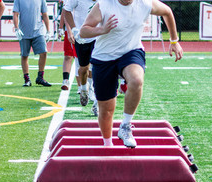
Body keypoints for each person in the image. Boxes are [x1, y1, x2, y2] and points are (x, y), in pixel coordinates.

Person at [80, 0, 183, 147]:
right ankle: (108, 145)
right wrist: (102, 30)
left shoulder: (145, 4)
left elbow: (167, 12)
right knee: (106, 110)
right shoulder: (104, 5)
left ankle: (125, 126)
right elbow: (84, 31)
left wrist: (174, 41)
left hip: (131, 52)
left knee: (136, 80)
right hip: (103, 57)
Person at [63, 0, 97, 106]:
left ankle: (95, 95)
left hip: (99, 36)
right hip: (82, 37)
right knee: (83, 69)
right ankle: (83, 89)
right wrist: (74, 29)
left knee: (98, 66)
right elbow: (66, 10)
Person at [13, 0, 52, 87]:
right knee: (24, 55)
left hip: (38, 31)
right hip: (24, 32)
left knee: (44, 52)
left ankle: (40, 77)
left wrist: (48, 31)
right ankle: (27, 79)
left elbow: (45, 14)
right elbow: (15, 14)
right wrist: (16, 28)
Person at [58, 0, 80, 91]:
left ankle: (83, 85)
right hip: (72, 29)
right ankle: (66, 80)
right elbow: (65, 11)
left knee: (81, 59)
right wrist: (61, 28)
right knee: (68, 55)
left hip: (83, 28)